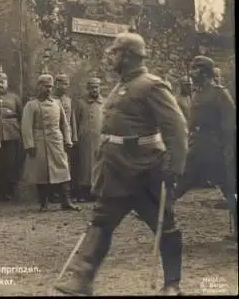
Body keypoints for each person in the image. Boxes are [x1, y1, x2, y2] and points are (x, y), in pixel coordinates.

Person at [53, 32, 188, 295]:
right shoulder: (119, 86)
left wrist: (175, 168)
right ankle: (82, 280)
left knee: (165, 225)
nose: (109, 56)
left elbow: (177, 127)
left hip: (146, 171)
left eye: (114, 52)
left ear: (127, 56)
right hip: (116, 171)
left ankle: (172, 283)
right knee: (102, 220)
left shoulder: (151, 85)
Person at [173, 56, 237, 242]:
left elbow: (229, 124)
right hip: (197, 148)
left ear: (204, 71)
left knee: (228, 188)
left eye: (194, 69)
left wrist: (229, 150)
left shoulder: (219, 94)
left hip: (215, 149)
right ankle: (158, 216)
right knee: (181, 181)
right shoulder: (198, 93)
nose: (191, 73)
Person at [21, 66, 80, 212]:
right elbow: (26, 127)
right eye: (46, 86)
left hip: (56, 141)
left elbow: (65, 124)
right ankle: (43, 203)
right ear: (39, 86)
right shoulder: (31, 105)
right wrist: (29, 144)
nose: (48, 90)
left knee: (63, 170)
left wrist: (68, 139)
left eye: (50, 87)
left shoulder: (57, 103)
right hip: (39, 141)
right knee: (41, 174)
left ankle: (66, 201)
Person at [0, 65, 23, 202]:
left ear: (7, 83)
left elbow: (21, 116)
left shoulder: (14, 98)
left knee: (11, 163)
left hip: (12, 134)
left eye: (2, 82)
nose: (0, 84)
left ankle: (10, 190)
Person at [74, 77, 104, 202]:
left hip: (100, 139)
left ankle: (97, 191)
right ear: (87, 89)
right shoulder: (81, 103)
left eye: (96, 87)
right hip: (85, 139)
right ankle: (84, 192)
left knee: (99, 165)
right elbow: (75, 121)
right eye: (92, 87)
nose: (94, 90)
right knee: (85, 166)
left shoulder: (104, 103)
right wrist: (75, 137)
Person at [52, 72, 78, 203]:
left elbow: (71, 120)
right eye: (62, 83)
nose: (64, 86)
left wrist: (73, 137)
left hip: (66, 138)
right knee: (54, 166)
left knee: (66, 166)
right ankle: (54, 194)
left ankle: (65, 195)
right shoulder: (51, 99)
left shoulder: (68, 100)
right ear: (56, 84)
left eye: (66, 84)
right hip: (53, 136)